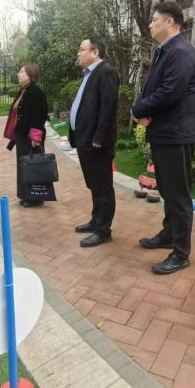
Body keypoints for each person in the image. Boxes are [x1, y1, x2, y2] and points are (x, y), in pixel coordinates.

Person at [132, 2, 195, 275]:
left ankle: (181, 253)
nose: (150, 24)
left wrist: (139, 110)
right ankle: (169, 235)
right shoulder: (165, 51)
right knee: (168, 191)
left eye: (155, 20)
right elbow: (155, 89)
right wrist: (144, 112)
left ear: (169, 21)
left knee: (178, 196)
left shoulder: (181, 52)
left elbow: (169, 92)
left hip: (176, 135)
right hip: (164, 133)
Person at [69, 38, 120, 248]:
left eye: (82, 50)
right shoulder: (89, 74)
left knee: (102, 187)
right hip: (85, 140)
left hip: (96, 143)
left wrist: (100, 137)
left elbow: (108, 107)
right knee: (94, 185)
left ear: (95, 52)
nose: (78, 53)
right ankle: (96, 220)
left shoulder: (106, 72)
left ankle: (103, 230)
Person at [4, 63, 53, 207]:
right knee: (24, 165)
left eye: (21, 72)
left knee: (33, 166)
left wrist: (35, 138)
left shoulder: (36, 92)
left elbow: (39, 117)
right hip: (21, 136)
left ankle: (35, 198)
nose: (18, 74)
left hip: (30, 138)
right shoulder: (24, 90)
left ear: (30, 75)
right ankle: (26, 195)